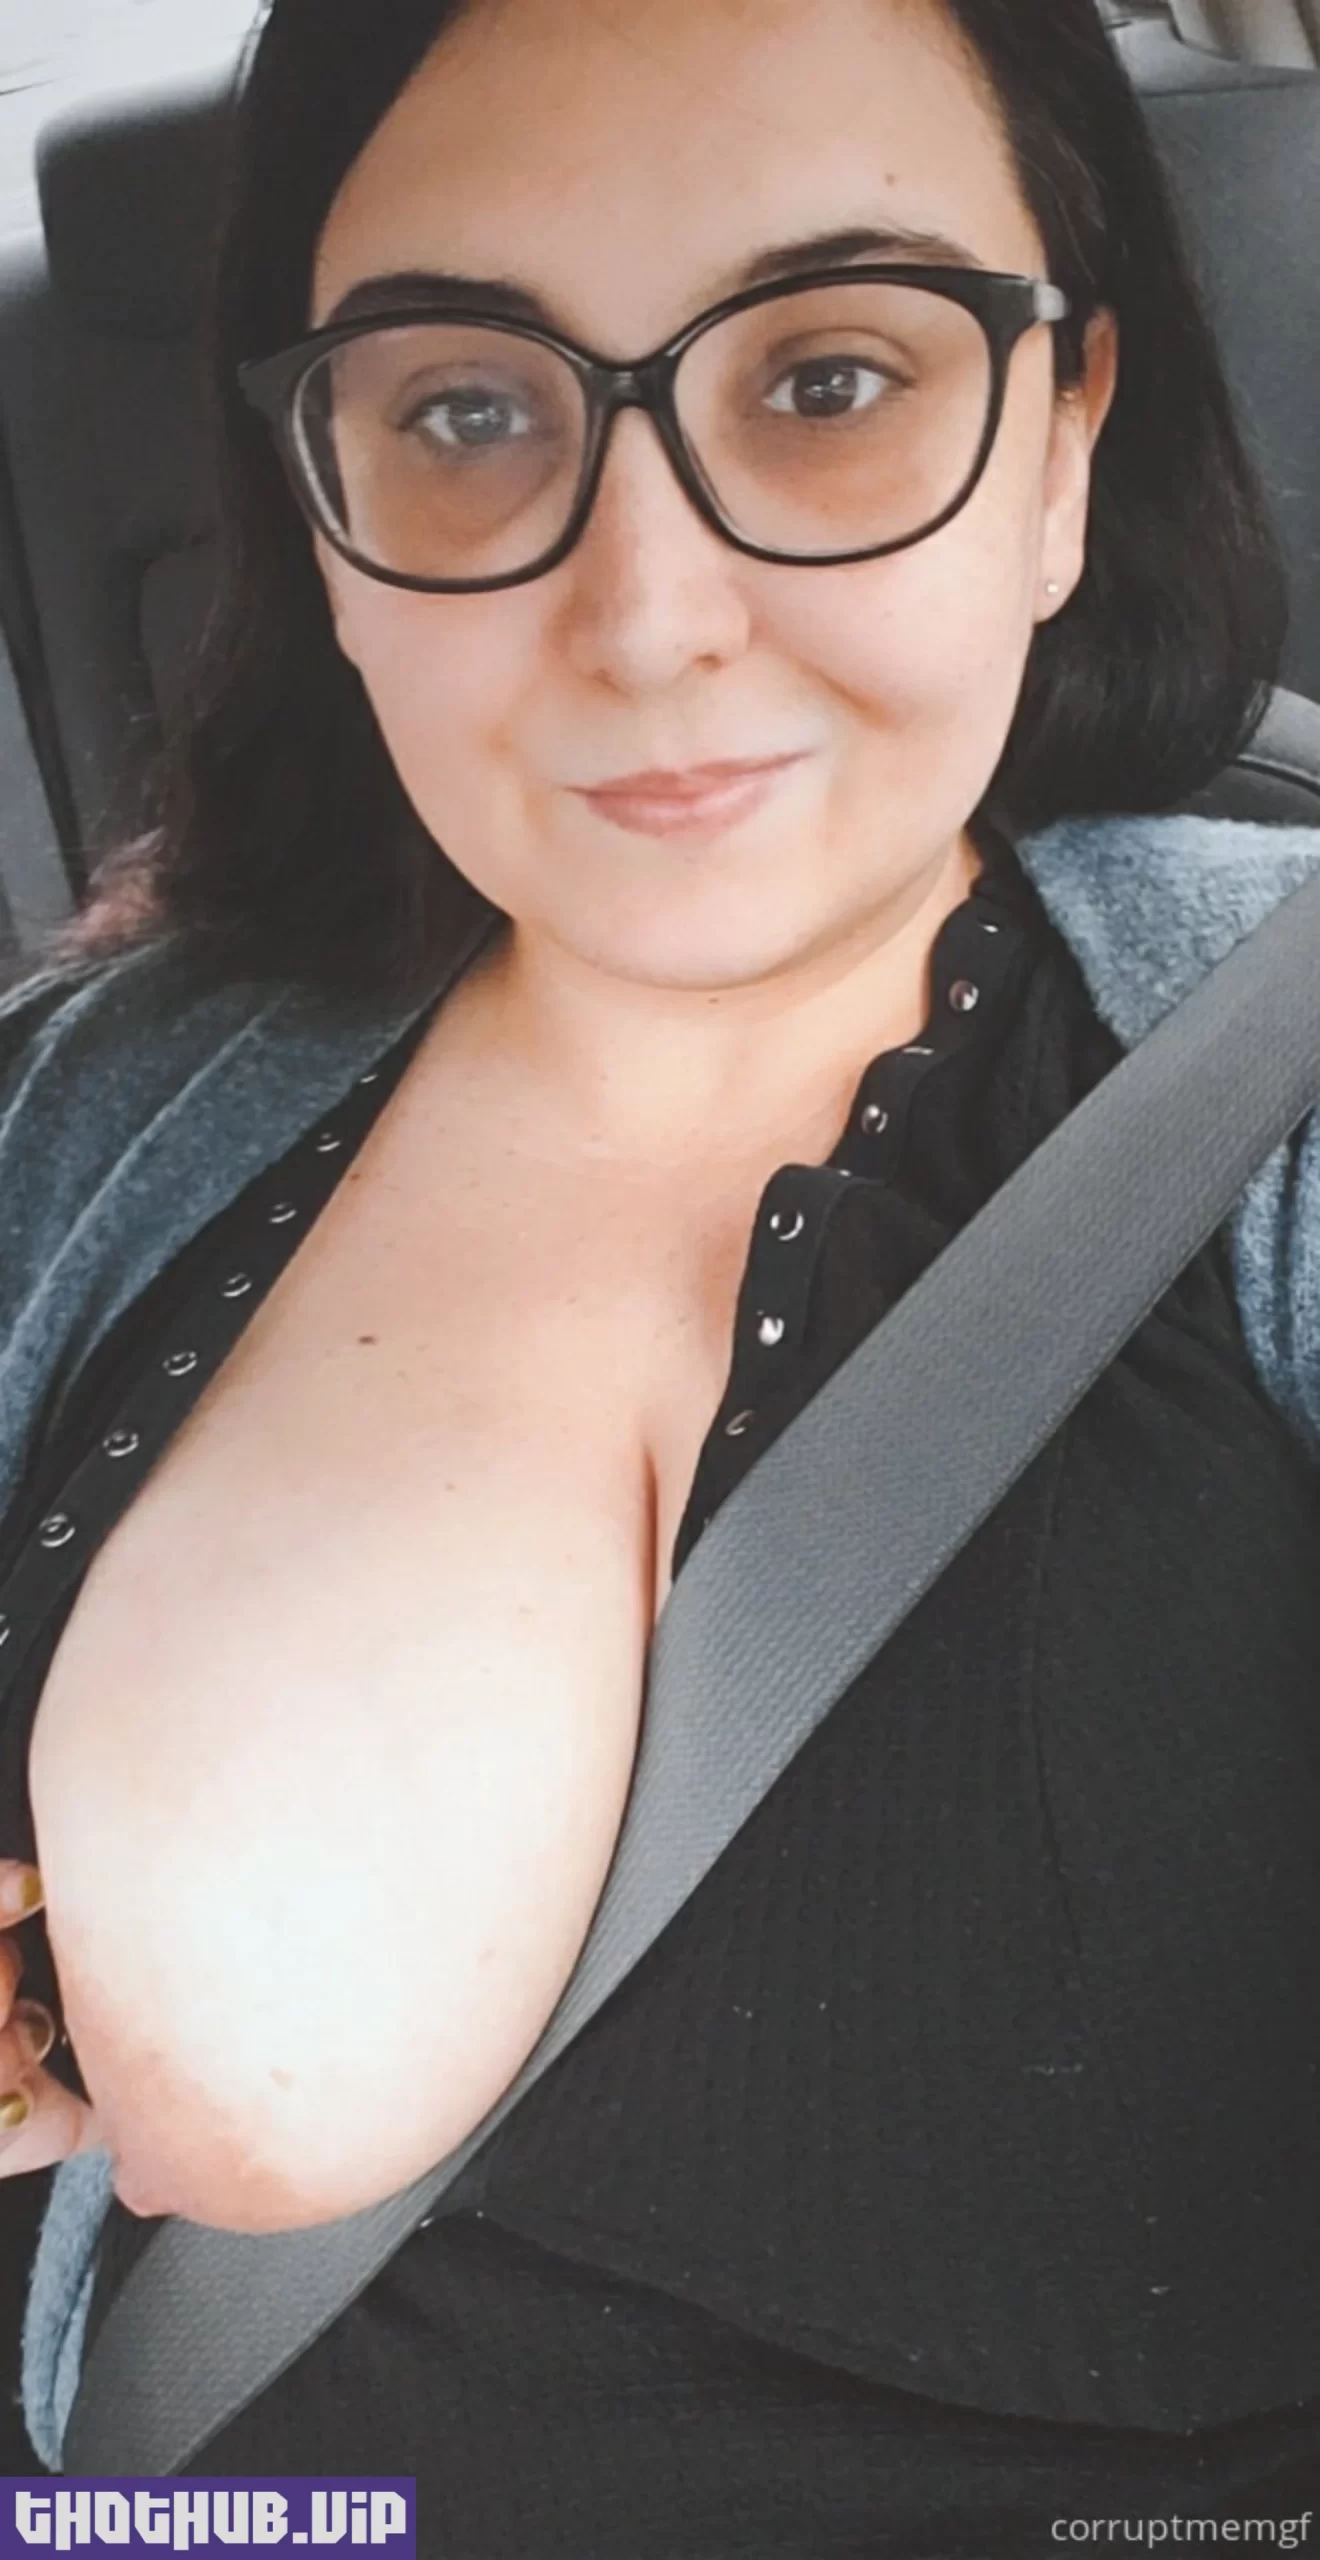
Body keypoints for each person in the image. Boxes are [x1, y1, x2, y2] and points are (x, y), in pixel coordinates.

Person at [1, 0, 1319, 2538]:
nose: (651, 611)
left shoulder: (1274, 1091)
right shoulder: (95, 1097)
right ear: (319, 519)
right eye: (467, 408)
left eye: (828, 378)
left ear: (1063, 439)